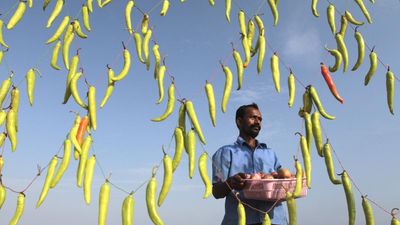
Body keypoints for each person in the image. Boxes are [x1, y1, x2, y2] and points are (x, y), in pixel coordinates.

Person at [212, 103, 288, 225]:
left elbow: (283, 181)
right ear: (239, 122)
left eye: (260, 119)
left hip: (275, 220)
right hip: (241, 221)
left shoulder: (270, 153)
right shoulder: (225, 153)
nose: (258, 122)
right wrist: (231, 182)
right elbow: (216, 192)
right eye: (253, 117)